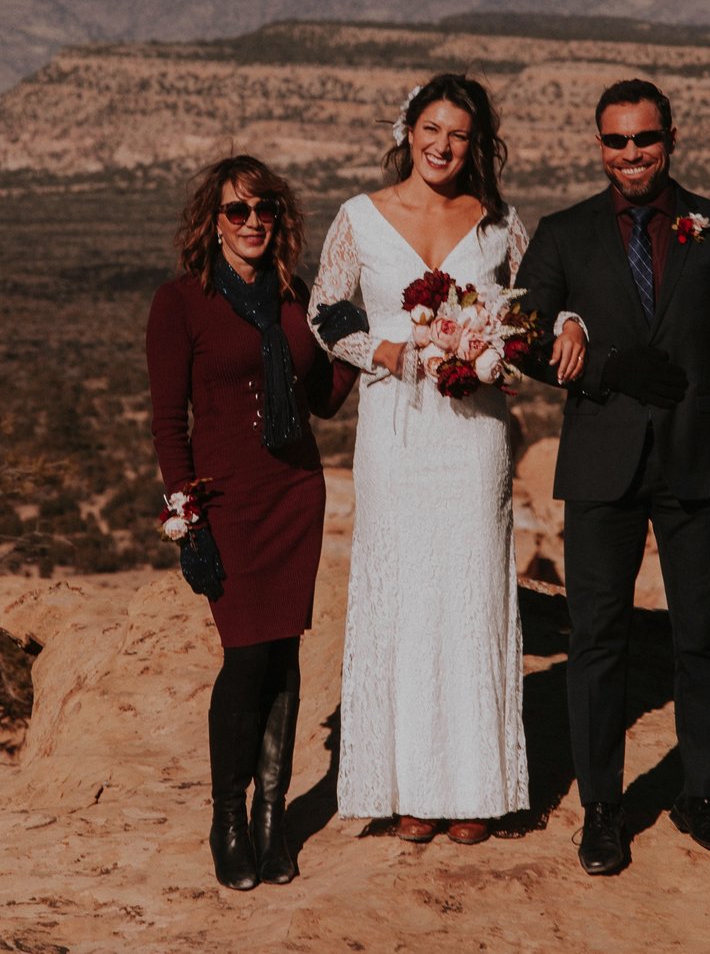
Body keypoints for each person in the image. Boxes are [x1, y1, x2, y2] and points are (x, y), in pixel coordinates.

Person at [308, 73, 585, 845]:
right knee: (403, 587)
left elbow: (533, 304)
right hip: (396, 430)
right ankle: (408, 787)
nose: (441, 145)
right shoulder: (360, 217)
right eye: (431, 128)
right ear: (408, 130)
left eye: (458, 134)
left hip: (473, 437)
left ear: (476, 145)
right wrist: (386, 348)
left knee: (469, 593)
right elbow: (325, 311)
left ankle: (475, 787)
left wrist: (559, 324)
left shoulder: (497, 223)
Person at [515, 78, 710, 873]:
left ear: (671, 138)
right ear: (599, 146)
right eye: (616, 141)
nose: (631, 154)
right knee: (598, 638)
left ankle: (704, 798)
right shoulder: (565, 234)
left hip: (700, 462)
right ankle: (603, 811)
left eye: (645, 139)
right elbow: (521, 334)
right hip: (602, 463)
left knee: (701, 637)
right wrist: (604, 365)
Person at [146, 155, 357, 891]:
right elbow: (170, 422)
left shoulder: (297, 299)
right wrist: (187, 515)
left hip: (295, 493)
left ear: (282, 219)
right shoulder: (181, 303)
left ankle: (275, 820)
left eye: (265, 210)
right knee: (245, 659)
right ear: (212, 221)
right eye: (237, 211)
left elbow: (324, 399)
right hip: (227, 499)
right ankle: (227, 819)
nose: (252, 223)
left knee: (285, 657)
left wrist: (355, 338)